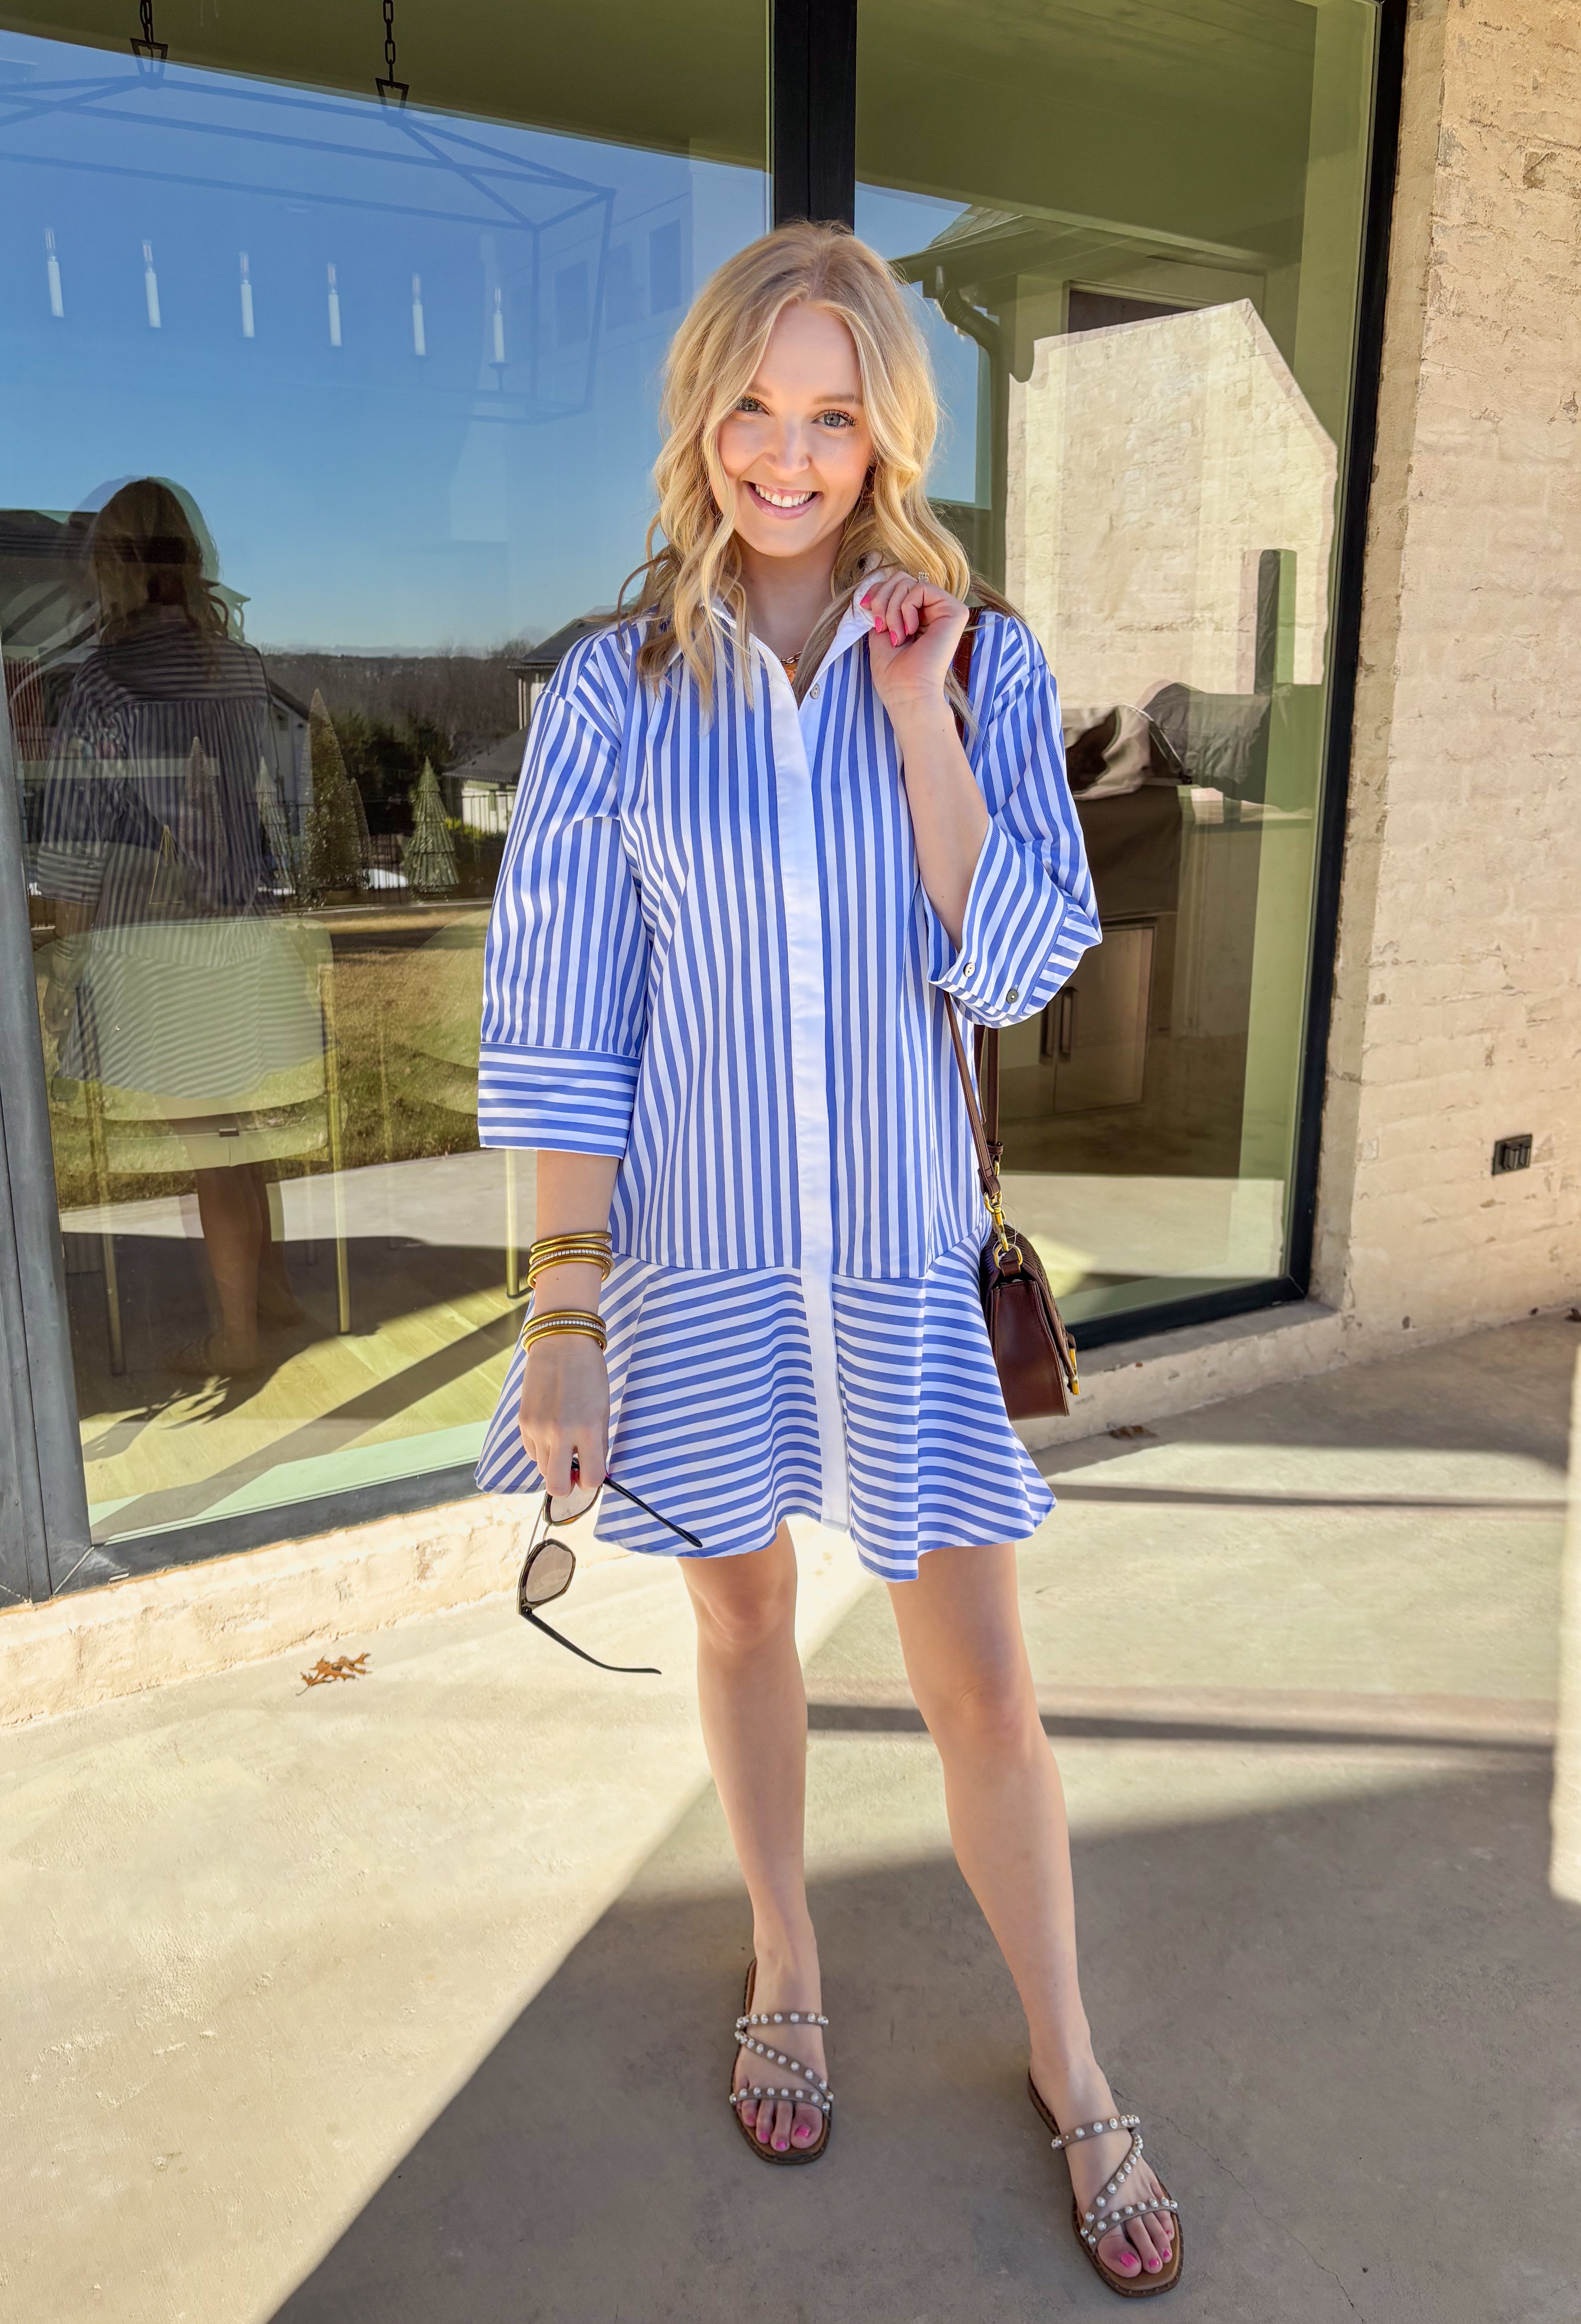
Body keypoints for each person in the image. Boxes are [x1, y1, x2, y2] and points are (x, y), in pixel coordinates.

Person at [475, 224, 1182, 2294]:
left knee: (981, 1684)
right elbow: (562, 1025)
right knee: (743, 1623)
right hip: (693, 1275)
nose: (789, 452)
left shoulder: (979, 656)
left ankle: (1069, 2049)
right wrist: (566, 1308)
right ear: (704, 412)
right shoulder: (611, 692)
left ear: (885, 425)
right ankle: (786, 1945)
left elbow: (1025, 953)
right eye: (755, 404)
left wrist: (919, 716)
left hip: (892, 1265)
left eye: (833, 408)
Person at [36, 478, 321, 1378]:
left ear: (112, 567)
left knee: (209, 1146)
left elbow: (80, 842)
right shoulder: (238, 667)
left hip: (151, 945)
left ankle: (237, 1336)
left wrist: (65, 957)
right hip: (236, 932)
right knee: (239, 1135)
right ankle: (269, 1296)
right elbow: (272, 806)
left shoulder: (102, 682)